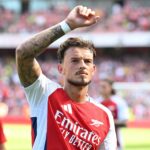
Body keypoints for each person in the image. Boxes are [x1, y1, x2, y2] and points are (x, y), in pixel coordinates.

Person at [16, 6, 117, 150]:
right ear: (60, 68)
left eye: (87, 61)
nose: (82, 65)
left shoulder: (104, 115)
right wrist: (67, 25)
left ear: (93, 70)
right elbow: (23, 53)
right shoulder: (44, 93)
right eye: (75, 60)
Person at [97, 79, 129, 150]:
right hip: (98, 141)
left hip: (116, 141)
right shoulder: (96, 102)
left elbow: (124, 121)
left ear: (110, 87)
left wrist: (106, 122)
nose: (101, 89)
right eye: (100, 86)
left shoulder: (119, 102)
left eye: (104, 86)